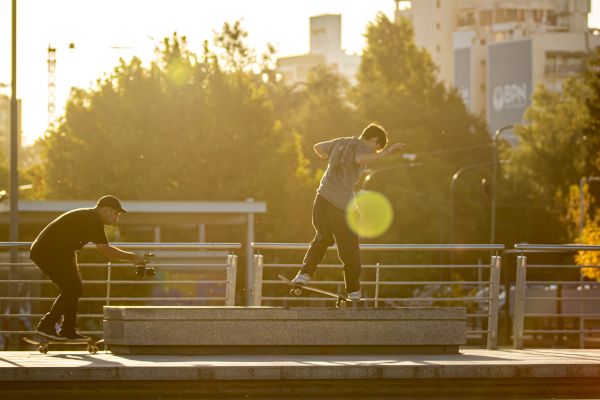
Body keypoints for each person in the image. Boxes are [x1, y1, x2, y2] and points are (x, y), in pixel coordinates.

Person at [291, 123, 405, 300]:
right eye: (376, 148)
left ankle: (304, 274)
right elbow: (360, 159)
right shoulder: (362, 147)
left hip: (321, 198)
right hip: (340, 206)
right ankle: (353, 291)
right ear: (374, 140)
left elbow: (318, 148)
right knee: (349, 250)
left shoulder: (341, 141)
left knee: (322, 238)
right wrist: (387, 152)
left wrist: (332, 159)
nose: (375, 153)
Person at [30, 195, 146, 340]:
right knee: (72, 288)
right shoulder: (93, 221)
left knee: (73, 288)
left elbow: (70, 243)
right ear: (106, 210)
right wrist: (133, 257)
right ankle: (46, 325)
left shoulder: (89, 217)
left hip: (56, 253)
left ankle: (68, 329)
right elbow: (107, 252)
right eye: (116, 214)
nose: (117, 219)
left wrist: (73, 265)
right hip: (47, 253)